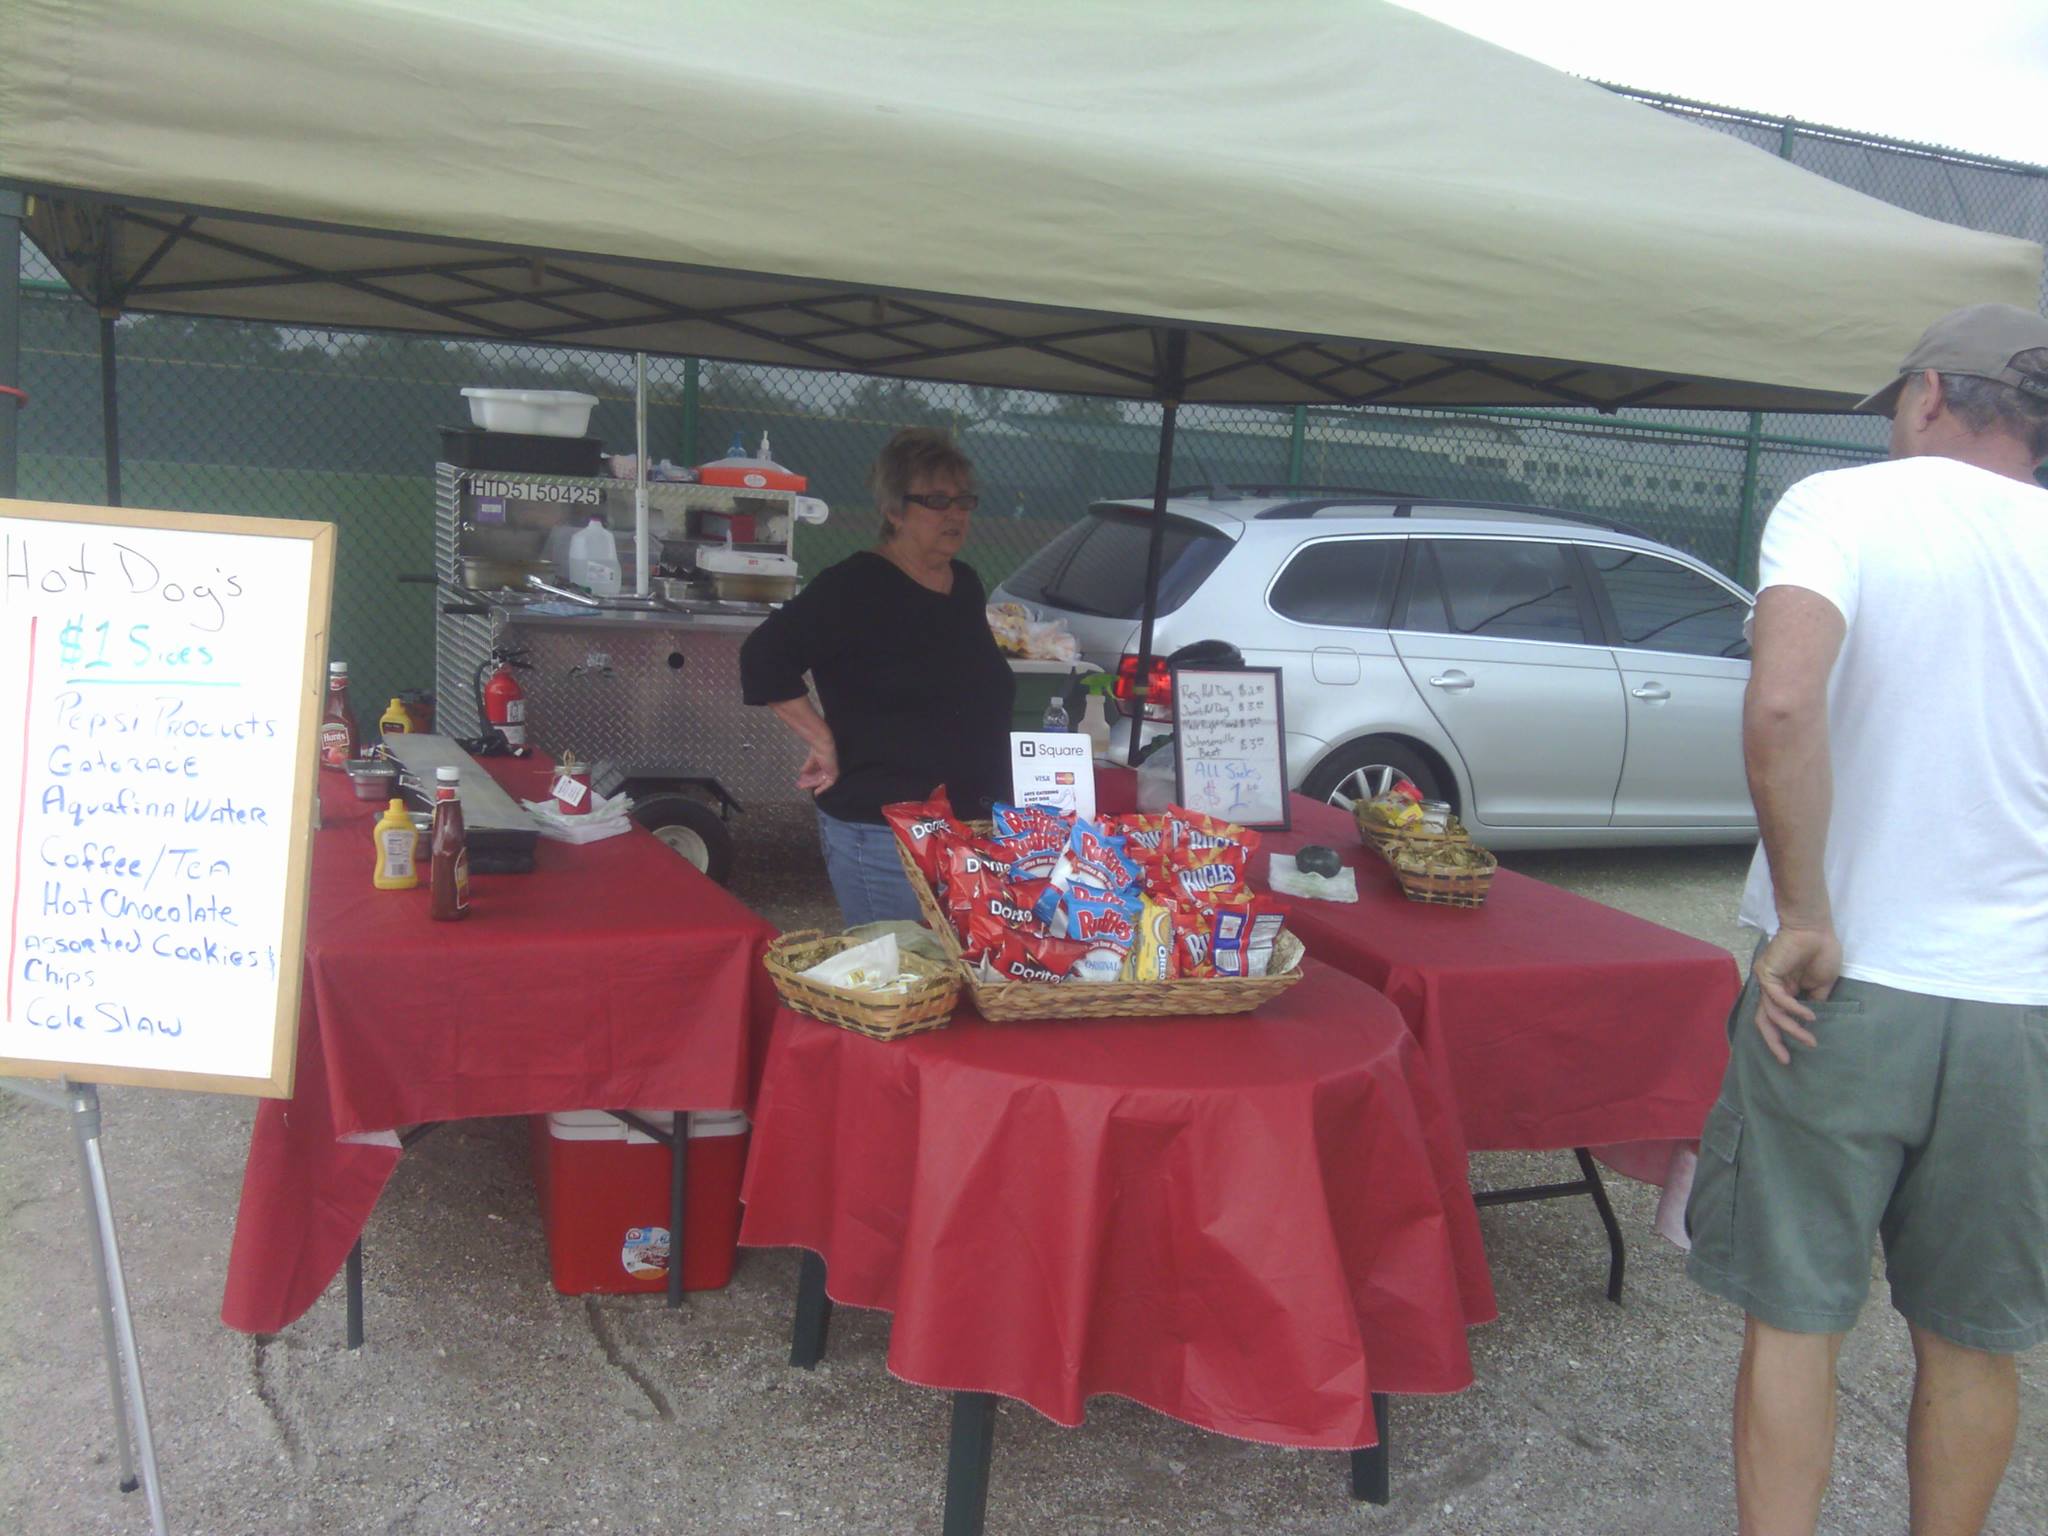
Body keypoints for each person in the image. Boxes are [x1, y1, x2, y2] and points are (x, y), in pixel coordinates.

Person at [1685, 303, 2048, 1536]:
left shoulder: (1840, 505)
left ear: (1931, 393)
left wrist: (1803, 910)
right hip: (2022, 1007)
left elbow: (1782, 704)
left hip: (1838, 987)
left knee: (1796, 1320)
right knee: (1972, 1341)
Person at [740, 427, 1015, 927]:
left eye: (964, 501)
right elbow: (763, 658)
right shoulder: (854, 586)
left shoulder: (965, 584)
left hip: (969, 830)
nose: (956, 514)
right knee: (899, 978)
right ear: (894, 510)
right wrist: (822, 738)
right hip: (887, 837)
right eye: (936, 500)